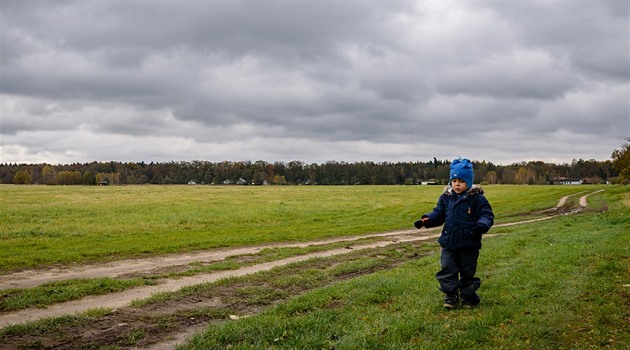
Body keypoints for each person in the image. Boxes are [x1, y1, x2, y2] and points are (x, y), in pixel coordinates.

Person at [414, 157, 494, 309]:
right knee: (447, 269)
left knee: (467, 272)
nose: (457, 184)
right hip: (449, 242)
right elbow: (438, 214)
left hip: (469, 243)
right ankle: (450, 296)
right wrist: (426, 220)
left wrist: (483, 224)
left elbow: (487, 214)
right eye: (454, 180)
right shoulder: (446, 198)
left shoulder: (477, 198)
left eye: (461, 181)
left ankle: (468, 298)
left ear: (469, 182)